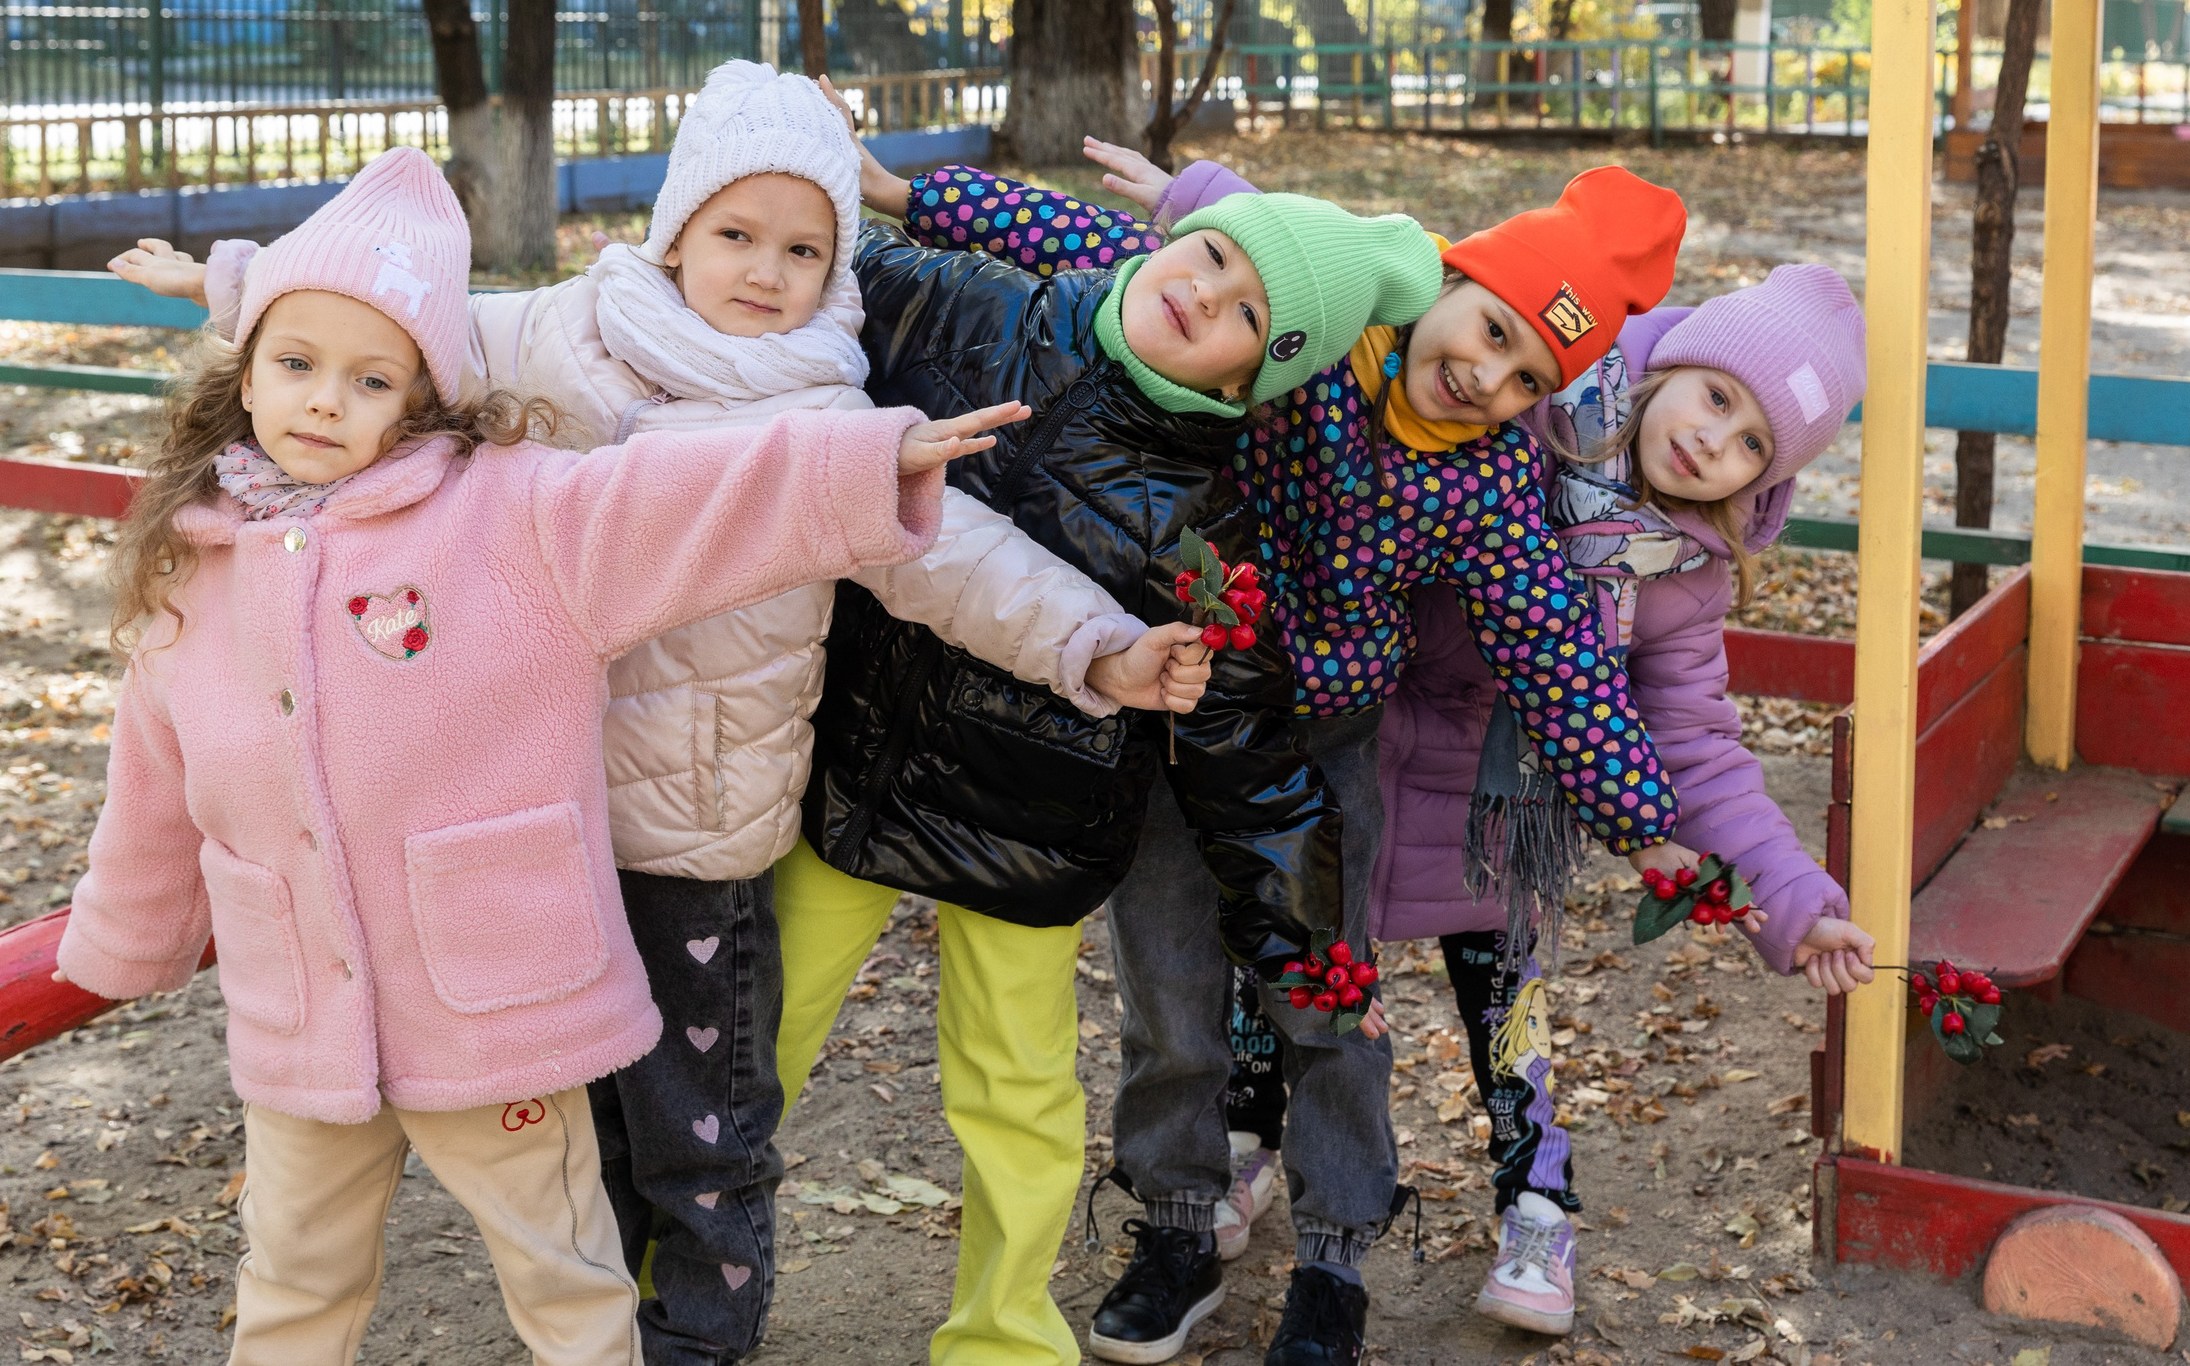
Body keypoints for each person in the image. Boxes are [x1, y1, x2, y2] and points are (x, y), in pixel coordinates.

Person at [108, 68, 1210, 1363]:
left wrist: (1099, 644)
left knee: (704, 1117)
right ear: (676, 226)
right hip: (527, 822)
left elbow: (955, 556)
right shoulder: (571, 332)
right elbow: (400, 320)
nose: (765, 268)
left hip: (697, 829)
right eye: (737, 232)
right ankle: (609, 1309)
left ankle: (697, 1331)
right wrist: (230, 289)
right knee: (585, 1117)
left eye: (805, 246)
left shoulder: (821, 405)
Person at [864, 147, 1683, 1366]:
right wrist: (904, 195)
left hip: (1319, 746)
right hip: (1177, 704)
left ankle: (1338, 1251)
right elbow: (1100, 253)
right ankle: (1179, 1222)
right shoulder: (1313, 337)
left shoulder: (1492, 479)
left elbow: (1552, 646)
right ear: (1449, 278)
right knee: (1172, 988)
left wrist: (1645, 821)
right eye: (1493, 329)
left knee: (1326, 995)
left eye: (1528, 377)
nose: (1489, 375)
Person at [783, 142, 1445, 1366]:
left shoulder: (1206, 528)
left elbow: (1243, 753)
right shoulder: (962, 298)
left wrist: (1312, 955)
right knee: (751, 1045)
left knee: (1017, 1094)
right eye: (1209, 258)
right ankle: (674, 1292)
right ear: (1162, 243)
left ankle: (1004, 1340)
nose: (1205, 295)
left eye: (1249, 315)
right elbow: (785, 293)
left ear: (1260, 378)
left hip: (1030, 821)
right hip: (844, 769)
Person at [1375, 262, 1877, 1335]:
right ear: (1679, 360)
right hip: (1353, 742)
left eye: (1753, 444)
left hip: (1498, 806)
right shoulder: (1530, 403)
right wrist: (1200, 197)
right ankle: (1240, 1149)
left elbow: (1694, 746)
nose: (1714, 441)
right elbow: (1394, 295)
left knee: (1509, 1011)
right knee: (1287, 975)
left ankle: (1537, 1208)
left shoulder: (1682, 573)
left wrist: (1790, 894)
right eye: (1717, 397)